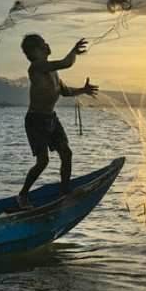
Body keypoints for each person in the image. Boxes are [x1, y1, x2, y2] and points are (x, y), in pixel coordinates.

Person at [16, 34, 99, 209]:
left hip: (51, 118)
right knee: (43, 161)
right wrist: (74, 51)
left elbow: (65, 91)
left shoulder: (52, 70)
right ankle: (23, 195)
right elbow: (66, 62)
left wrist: (83, 90)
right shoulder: (37, 67)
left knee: (66, 153)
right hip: (36, 121)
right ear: (34, 52)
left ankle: (64, 191)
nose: (47, 45)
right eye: (42, 45)